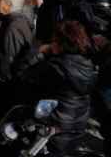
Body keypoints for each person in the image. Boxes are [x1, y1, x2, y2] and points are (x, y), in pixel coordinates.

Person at [15, 21, 96, 155]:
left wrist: (39, 53)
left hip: (52, 134)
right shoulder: (88, 66)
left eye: (54, 40)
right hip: (76, 130)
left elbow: (21, 75)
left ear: (61, 43)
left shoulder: (56, 68)